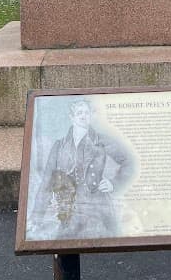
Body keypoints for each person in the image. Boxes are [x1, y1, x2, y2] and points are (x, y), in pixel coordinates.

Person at [28, 98, 131, 239]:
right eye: (79, 113)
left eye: (86, 113)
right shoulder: (59, 146)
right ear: (71, 117)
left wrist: (114, 183)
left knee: (105, 241)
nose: (83, 116)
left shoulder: (101, 141)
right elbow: (46, 181)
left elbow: (128, 161)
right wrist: (36, 217)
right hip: (70, 207)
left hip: (98, 206)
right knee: (64, 242)